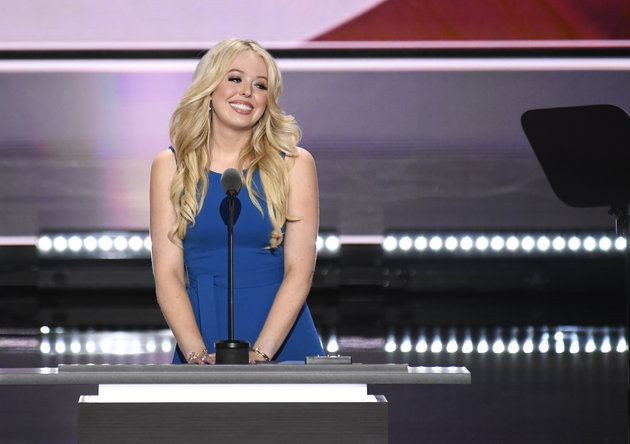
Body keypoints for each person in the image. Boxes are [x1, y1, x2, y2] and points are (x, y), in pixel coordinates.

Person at [150, 38, 324, 364]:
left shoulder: (296, 164)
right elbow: (168, 274)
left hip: (284, 341)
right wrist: (196, 354)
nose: (247, 91)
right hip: (201, 337)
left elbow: (299, 271)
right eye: (235, 78)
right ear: (210, 88)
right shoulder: (170, 166)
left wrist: (261, 353)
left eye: (260, 85)